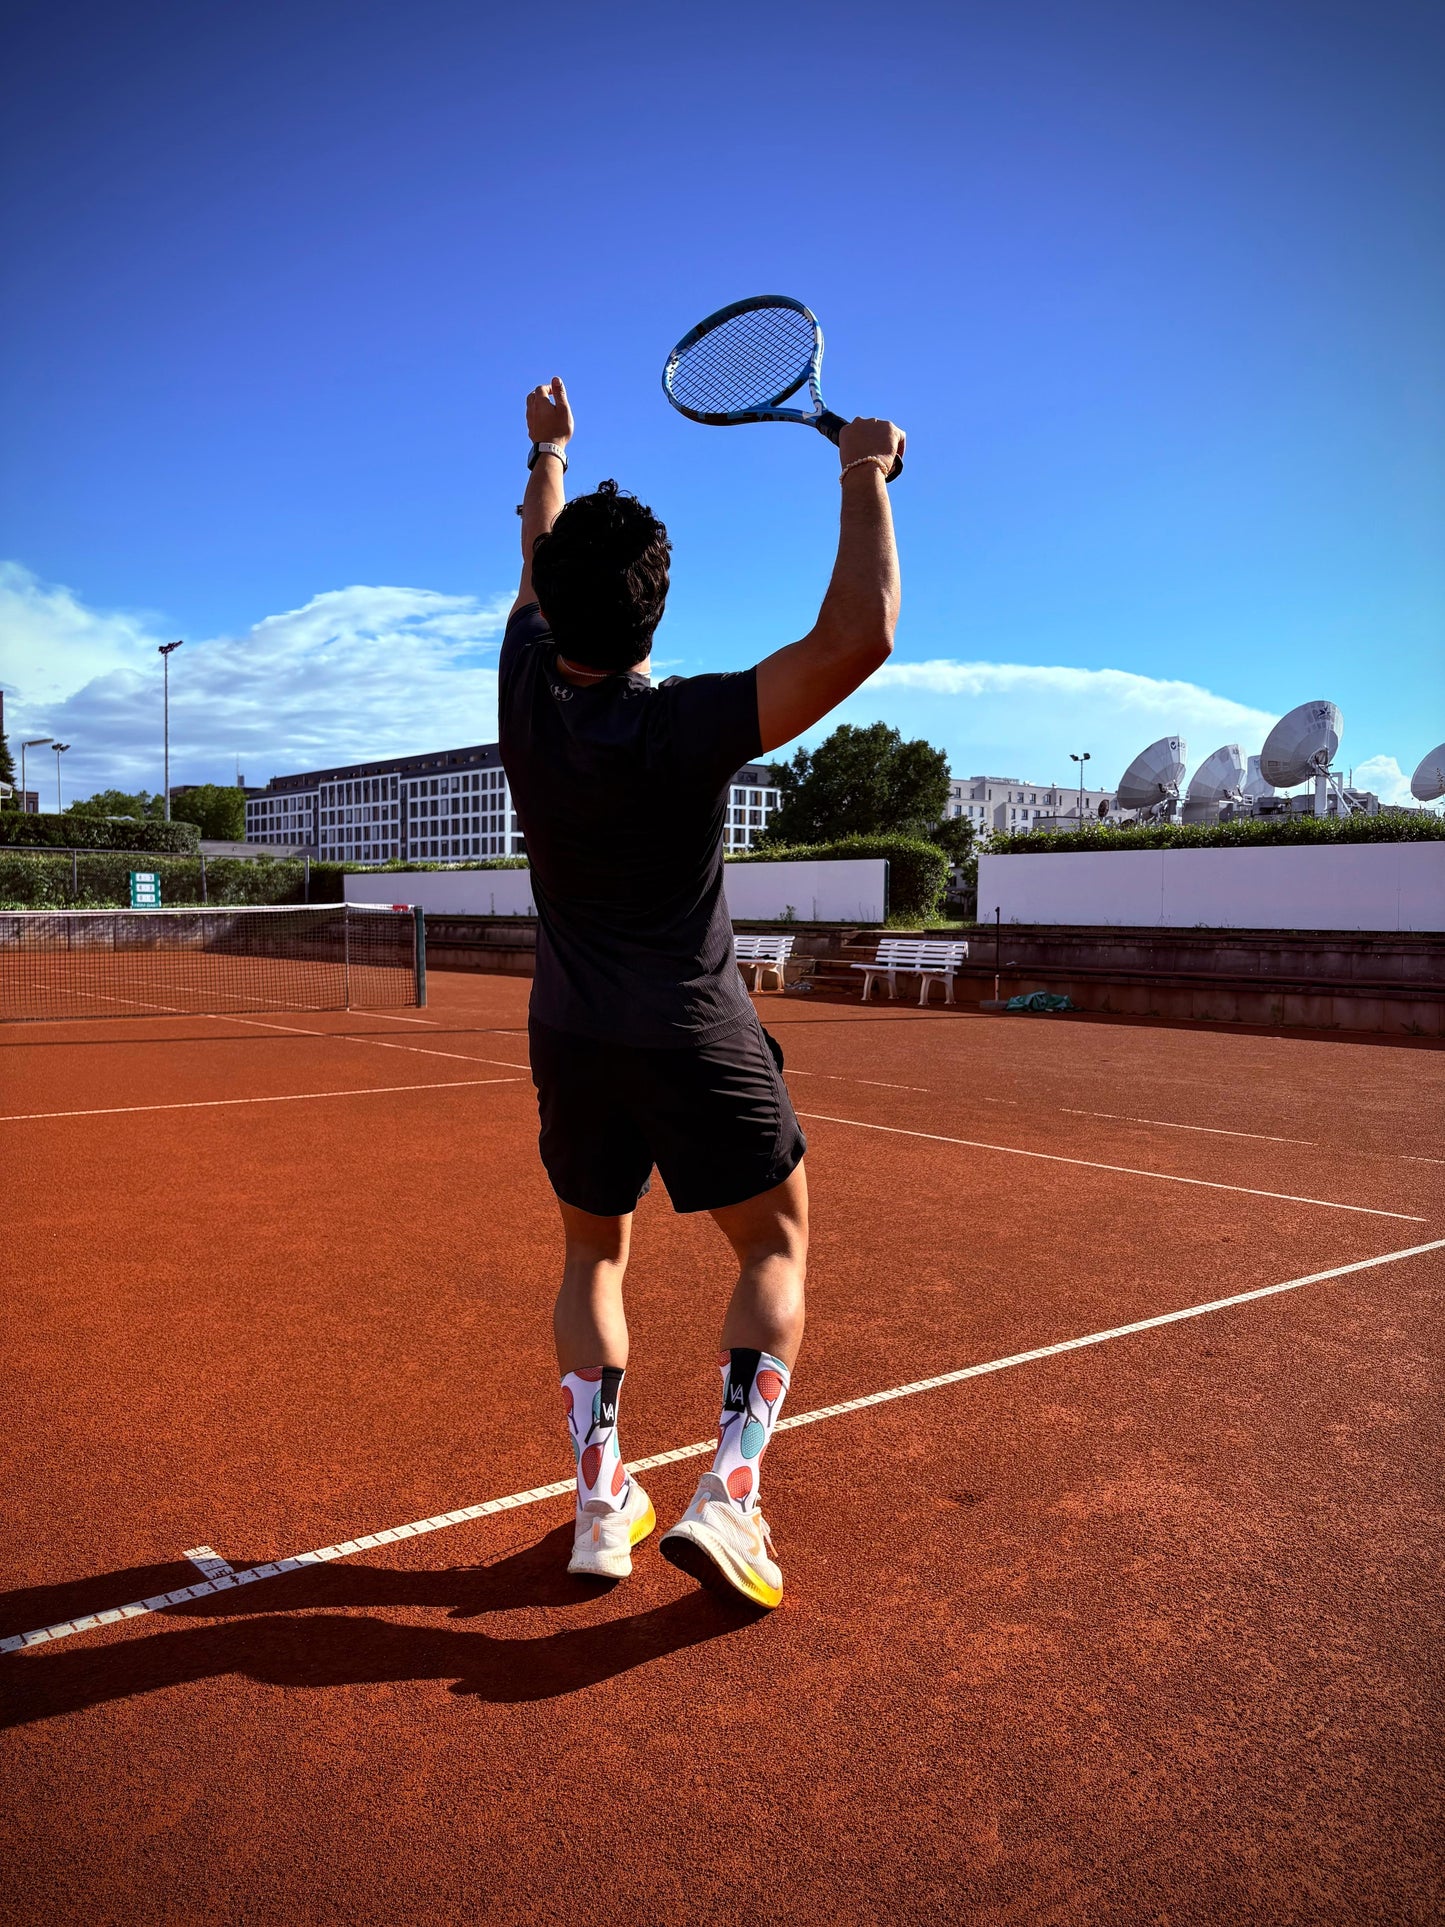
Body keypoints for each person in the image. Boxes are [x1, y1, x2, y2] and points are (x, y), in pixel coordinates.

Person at [499, 376, 903, 1609]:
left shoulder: (519, 678)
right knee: (774, 1241)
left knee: (590, 1260)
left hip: (570, 1031)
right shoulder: (686, 727)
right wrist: (862, 472)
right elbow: (860, 636)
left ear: (554, 603)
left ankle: (595, 1503)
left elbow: (534, 553)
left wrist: (551, 452)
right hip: (691, 1030)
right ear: (654, 613)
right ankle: (727, 1492)